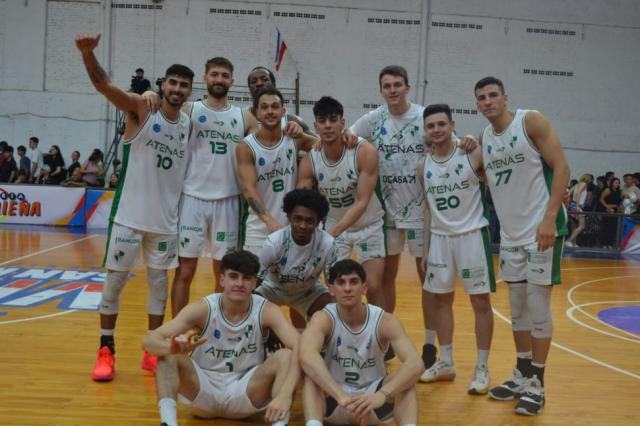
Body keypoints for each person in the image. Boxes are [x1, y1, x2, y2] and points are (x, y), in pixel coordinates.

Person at [75, 32, 194, 382]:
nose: (177, 89)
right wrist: (87, 54)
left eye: (184, 85)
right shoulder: (142, 108)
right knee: (114, 284)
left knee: (158, 287)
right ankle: (106, 351)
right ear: (163, 85)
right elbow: (105, 87)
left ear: (189, 91)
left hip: (165, 222)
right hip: (128, 216)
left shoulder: (188, 123)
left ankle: (151, 350)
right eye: (172, 82)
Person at [474, 76, 569, 415]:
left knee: (538, 307)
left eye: (493, 95)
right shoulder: (485, 137)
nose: (488, 101)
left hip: (541, 231)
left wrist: (550, 217)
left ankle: (538, 384)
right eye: (481, 97)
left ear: (505, 97)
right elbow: (485, 176)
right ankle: (523, 373)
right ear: (477, 104)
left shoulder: (530, 121)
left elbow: (562, 167)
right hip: (512, 237)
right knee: (517, 310)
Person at [142, 250, 300, 426]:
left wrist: (285, 394)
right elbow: (149, 341)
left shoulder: (267, 311)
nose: (239, 283)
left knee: (286, 356)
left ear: (254, 283)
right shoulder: (204, 308)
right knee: (167, 355)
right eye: (234, 276)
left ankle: (280, 424)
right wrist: (170, 348)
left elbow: (301, 349)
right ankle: (168, 423)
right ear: (222, 279)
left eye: (247, 278)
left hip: (246, 392)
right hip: (202, 391)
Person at [349, 65, 436, 367]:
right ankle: (385, 340)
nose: (393, 90)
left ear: (407, 87)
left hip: (422, 211)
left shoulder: (424, 117)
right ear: (381, 90)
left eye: (398, 84)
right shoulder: (373, 119)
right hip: (386, 212)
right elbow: (347, 138)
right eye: (387, 86)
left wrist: (467, 143)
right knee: (385, 278)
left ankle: (430, 345)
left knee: (428, 278)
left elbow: (450, 142)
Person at [167, 57, 261, 316]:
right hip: (192, 198)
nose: (219, 79)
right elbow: (163, 109)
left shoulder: (244, 117)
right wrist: (150, 93)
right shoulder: (189, 109)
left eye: (224, 75)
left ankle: (220, 324)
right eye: (215, 74)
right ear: (205, 78)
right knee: (185, 270)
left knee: (223, 272)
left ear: (232, 81)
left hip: (228, 200)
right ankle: (178, 328)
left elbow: (271, 137)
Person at [417, 104, 496, 395]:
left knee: (480, 304)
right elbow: (428, 209)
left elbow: (494, 169)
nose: (436, 130)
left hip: (472, 236)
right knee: (441, 302)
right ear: (425, 130)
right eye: (431, 126)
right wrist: (425, 248)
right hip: (439, 240)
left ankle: (482, 367)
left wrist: (475, 140)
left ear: (452, 124)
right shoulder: (422, 165)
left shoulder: (471, 153)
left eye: (441, 124)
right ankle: (446, 362)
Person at [300, 259, 424, 426]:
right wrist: (340, 396)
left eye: (354, 282)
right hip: (335, 399)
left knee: (406, 382)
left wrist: (382, 395)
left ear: (364, 288)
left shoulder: (385, 321)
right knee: (312, 377)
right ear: (331, 289)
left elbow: (416, 364)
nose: (347, 288)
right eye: (341, 282)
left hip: (373, 401)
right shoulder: (323, 318)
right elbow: (306, 356)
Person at [298, 96, 386, 310]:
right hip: (334, 225)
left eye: (333, 119)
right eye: (322, 121)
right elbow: (303, 201)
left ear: (342, 123)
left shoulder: (364, 151)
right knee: (336, 287)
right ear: (316, 126)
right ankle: (340, 327)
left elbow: (362, 201)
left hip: (367, 225)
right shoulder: (311, 159)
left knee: (373, 286)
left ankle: (378, 328)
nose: (328, 125)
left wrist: (331, 233)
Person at [236, 87, 317, 255]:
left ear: (283, 111)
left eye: (275, 106)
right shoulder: (246, 146)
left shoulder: (294, 139)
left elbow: (325, 145)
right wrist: (269, 221)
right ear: (256, 113)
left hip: (293, 227)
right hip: (259, 229)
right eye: (264, 107)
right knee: (254, 272)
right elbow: (249, 189)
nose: (270, 111)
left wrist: (346, 133)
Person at [256, 188, 336, 322]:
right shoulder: (273, 243)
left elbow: (333, 284)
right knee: (252, 305)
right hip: (272, 288)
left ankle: (317, 333)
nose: (302, 226)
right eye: (297, 219)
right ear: (289, 218)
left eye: (309, 221)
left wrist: (338, 312)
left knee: (331, 309)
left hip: (308, 291)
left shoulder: (328, 244)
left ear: (319, 221)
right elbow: (254, 281)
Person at [246, 66, 313, 135]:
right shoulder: (242, 119)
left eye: (264, 79)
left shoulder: (292, 121)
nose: (259, 83)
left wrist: (302, 136)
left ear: (273, 84)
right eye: (254, 81)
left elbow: (318, 141)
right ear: (249, 88)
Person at [566, 174, 593, 247]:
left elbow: (569, 193)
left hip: (573, 205)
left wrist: (570, 204)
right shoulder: (584, 184)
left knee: (575, 226)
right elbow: (578, 193)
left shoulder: (576, 185)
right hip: (578, 206)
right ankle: (569, 240)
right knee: (582, 225)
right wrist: (577, 205)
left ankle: (573, 243)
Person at [599, 177, 622, 247]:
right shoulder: (608, 190)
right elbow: (601, 199)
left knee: (613, 228)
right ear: (612, 183)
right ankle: (604, 243)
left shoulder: (619, 191)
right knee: (606, 227)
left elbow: (619, 202)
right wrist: (607, 207)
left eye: (618, 183)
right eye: (616, 182)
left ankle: (610, 243)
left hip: (615, 210)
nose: (617, 184)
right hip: (607, 210)